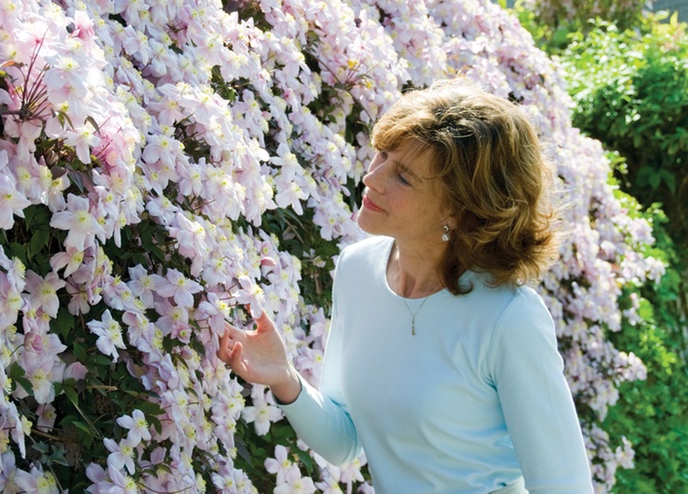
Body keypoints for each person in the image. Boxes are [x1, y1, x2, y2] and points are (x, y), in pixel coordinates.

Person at [217, 79, 594, 493]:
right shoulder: (357, 270)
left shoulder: (509, 318)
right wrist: (284, 377)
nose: (372, 178)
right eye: (381, 155)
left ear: (460, 209)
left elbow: (564, 484)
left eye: (404, 177)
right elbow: (344, 441)